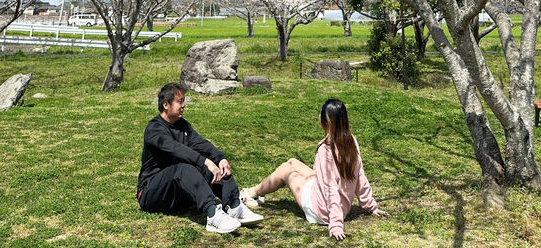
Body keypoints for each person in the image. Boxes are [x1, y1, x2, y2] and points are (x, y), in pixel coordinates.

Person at [241, 98, 388, 240]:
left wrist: (336, 224)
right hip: (339, 206)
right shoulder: (351, 141)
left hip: (322, 210)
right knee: (293, 161)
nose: (318, 117)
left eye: (321, 115)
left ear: (326, 123)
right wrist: (370, 205)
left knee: (285, 169)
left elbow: (330, 188)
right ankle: (256, 192)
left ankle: (249, 194)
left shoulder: (326, 150)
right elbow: (360, 176)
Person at [137, 82, 263, 234]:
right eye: (180, 101)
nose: (184, 105)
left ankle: (234, 205)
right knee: (186, 167)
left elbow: (201, 144)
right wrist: (204, 161)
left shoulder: (183, 126)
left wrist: (220, 158)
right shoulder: (154, 129)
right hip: (152, 195)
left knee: (215, 165)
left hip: (179, 196)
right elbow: (176, 149)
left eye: (184, 101)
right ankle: (213, 216)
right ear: (165, 105)